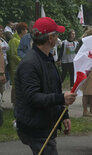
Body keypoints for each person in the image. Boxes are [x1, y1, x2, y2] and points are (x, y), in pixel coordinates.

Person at [14, 17, 77, 155]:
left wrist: (64, 115)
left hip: (45, 124)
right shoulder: (29, 64)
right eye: (56, 34)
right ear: (50, 38)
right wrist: (61, 98)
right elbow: (33, 97)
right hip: (36, 128)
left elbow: (54, 88)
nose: (58, 37)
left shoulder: (47, 58)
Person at [8, 22, 28, 107]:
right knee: (16, 85)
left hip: (22, 67)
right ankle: (15, 103)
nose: (27, 31)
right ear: (22, 30)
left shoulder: (22, 40)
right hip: (16, 68)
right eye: (26, 29)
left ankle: (20, 102)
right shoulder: (14, 41)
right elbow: (14, 55)